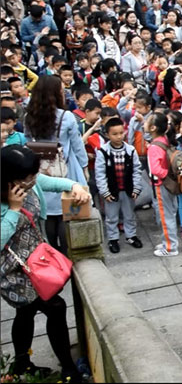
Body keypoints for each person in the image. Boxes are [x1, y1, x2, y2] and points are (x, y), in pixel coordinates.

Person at [1, 145, 90, 382]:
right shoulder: (10, 197)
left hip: (35, 262)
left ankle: (21, 364)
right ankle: (69, 368)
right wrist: (13, 210)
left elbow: (52, 183)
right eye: (28, 177)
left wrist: (74, 186)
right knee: (55, 307)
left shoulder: (28, 183)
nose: (33, 181)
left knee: (26, 313)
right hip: (13, 271)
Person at [24, 75, 88, 253]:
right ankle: (67, 251)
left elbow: (28, 141)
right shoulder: (66, 117)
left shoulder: (29, 116)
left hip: (41, 168)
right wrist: (84, 166)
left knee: (49, 214)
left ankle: (53, 249)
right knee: (65, 213)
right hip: (65, 167)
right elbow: (77, 145)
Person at [94, 117, 144, 253]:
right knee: (111, 217)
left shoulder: (130, 150)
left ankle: (131, 236)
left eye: (121, 133)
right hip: (111, 191)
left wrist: (136, 187)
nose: (118, 136)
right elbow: (100, 174)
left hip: (127, 189)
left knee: (129, 215)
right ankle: (113, 239)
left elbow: (136, 170)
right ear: (107, 135)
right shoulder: (103, 152)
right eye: (114, 134)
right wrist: (104, 191)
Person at [146, 112, 180, 257]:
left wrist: (165, 176)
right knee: (170, 213)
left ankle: (170, 247)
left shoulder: (154, 146)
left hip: (161, 184)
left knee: (165, 217)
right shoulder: (164, 139)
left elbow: (155, 169)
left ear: (153, 128)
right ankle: (168, 241)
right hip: (169, 184)